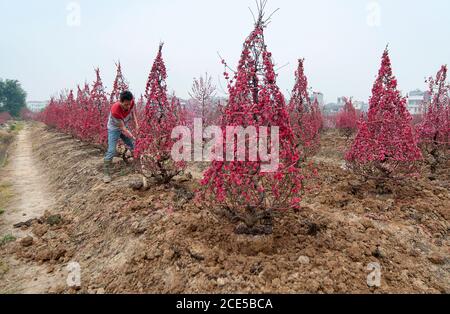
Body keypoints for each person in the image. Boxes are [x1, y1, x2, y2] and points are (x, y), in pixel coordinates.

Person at [103, 91, 139, 183]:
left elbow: (133, 112)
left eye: (129, 104)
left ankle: (137, 166)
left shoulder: (130, 103)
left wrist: (136, 124)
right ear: (120, 101)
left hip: (123, 126)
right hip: (114, 128)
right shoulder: (115, 110)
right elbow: (122, 128)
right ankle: (106, 173)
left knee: (133, 145)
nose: (128, 106)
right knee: (111, 150)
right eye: (126, 105)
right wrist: (133, 136)